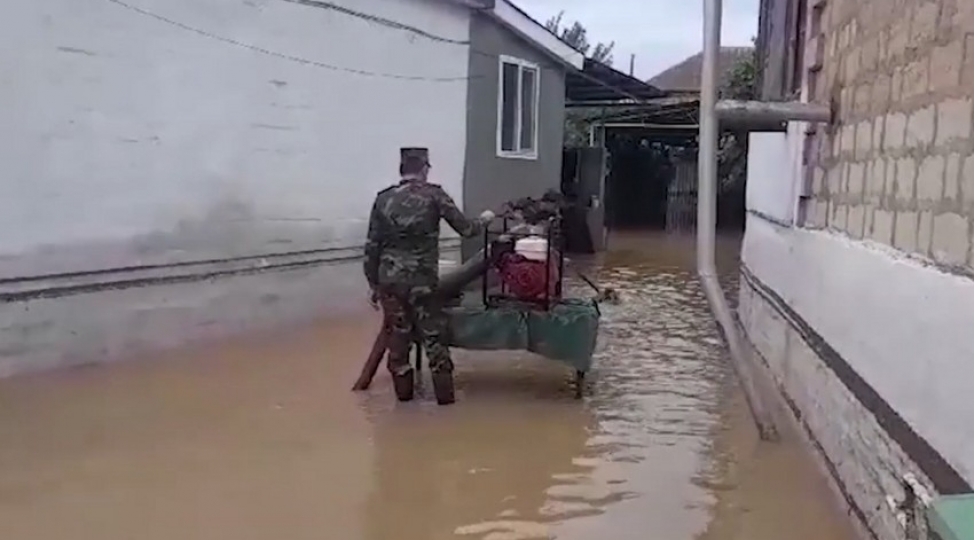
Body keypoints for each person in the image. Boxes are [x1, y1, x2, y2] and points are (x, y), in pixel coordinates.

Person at [363, 147, 495, 405]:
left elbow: (372, 246)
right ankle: (445, 405)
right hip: (422, 282)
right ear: (424, 168)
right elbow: (467, 230)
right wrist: (485, 220)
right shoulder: (435, 196)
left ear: (403, 169)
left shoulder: (383, 199)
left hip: (390, 282)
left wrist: (373, 284)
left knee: (398, 342)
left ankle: (404, 404)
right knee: (434, 340)